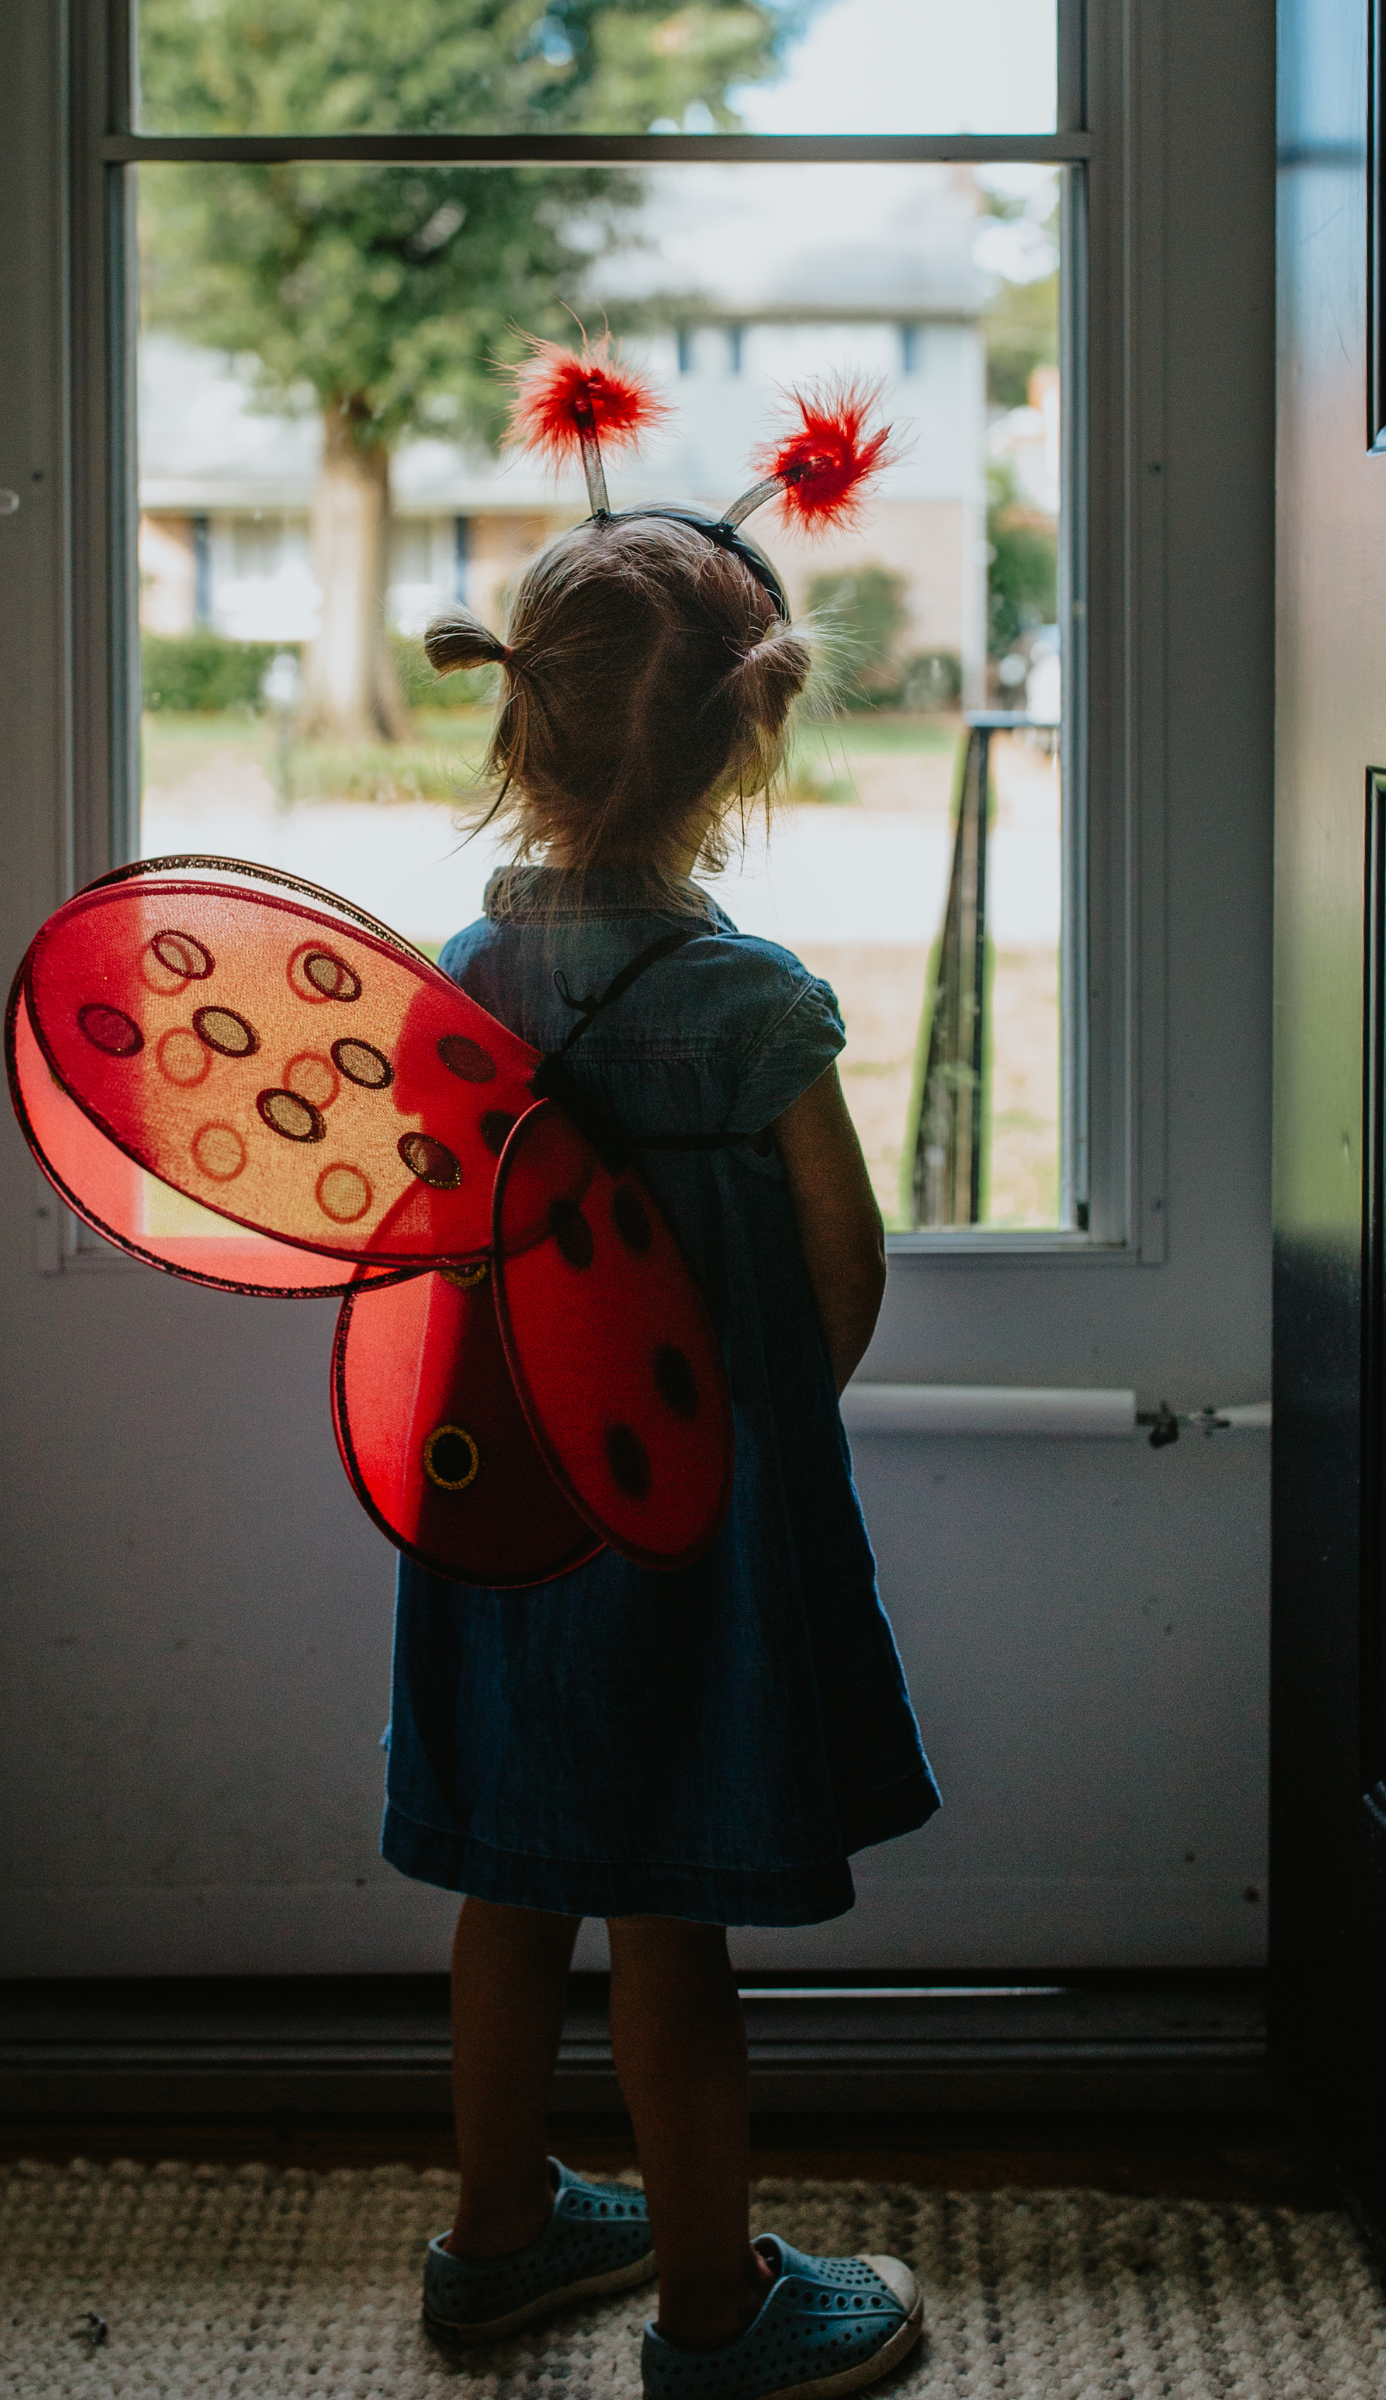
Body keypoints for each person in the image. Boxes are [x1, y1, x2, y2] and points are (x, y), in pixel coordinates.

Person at [387, 509, 941, 2399]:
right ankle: (717, 2314)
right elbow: (841, 1268)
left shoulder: (464, 977)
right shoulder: (755, 1004)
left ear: (516, 731)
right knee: (668, 1914)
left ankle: (499, 2233)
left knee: (508, 1882)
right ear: (745, 745)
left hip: (501, 1510)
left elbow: (428, 1246)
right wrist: (763, 1432)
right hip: (692, 1525)